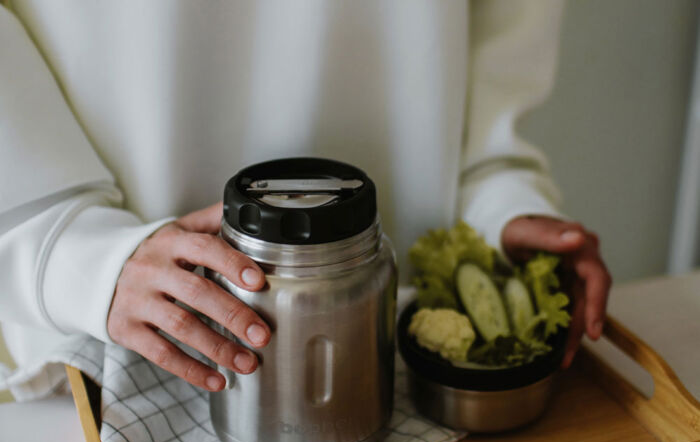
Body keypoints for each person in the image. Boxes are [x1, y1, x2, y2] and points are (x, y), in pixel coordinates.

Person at [0, 0, 610, 397]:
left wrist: (498, 192)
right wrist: (67, 250)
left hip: (410, 352)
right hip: (106, 347)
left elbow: (496, 54)